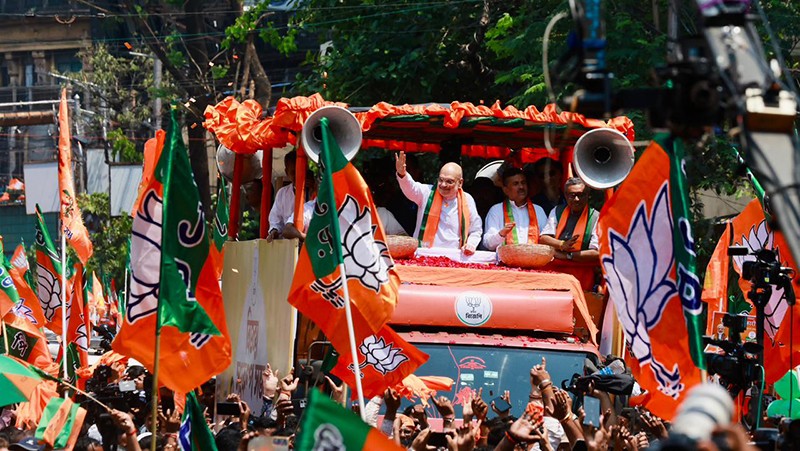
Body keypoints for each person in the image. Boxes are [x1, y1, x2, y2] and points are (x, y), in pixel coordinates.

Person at [395, 151, 482, 255]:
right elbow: (410, 188)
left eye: (449, 181)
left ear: (460, 183)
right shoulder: (426, 192)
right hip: (424, 255)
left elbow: (476, 230)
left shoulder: (467, 200)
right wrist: (402, 174)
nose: (443, 185)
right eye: (441, 180)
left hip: (455, 257)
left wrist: (471, 244)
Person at [483, 167, 547, 251]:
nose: (521, 187)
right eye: (516, 184)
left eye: (523, 183)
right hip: (505, 262)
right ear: (506, 190)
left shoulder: (538, 210)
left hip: (533, 260)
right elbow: (488, 244)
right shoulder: (496, 211)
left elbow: (546, 238)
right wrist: (501, 234)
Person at [539, 177, 600, 263]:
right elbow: (543, 239)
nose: (576, 199)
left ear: (588, 195)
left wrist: (568, 256)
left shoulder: (596, 217)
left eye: (580, 195)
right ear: (566, 196)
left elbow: (596, 253)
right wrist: (562, 245)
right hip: (557, 268)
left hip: (582, 269)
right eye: (572, 195)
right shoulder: (557, 211)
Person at [267, 150, 299, 241]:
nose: (297, 175)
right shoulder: (282, 193)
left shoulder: (315, 189)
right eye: (293, 172)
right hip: (288, 245)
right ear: (287, 172)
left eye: (299, 170)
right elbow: (275, 219)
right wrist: (274, 230)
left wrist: (313, 189)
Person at [281, 170, 319, 242]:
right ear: (316, 186)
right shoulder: (308, 208)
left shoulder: (342, 207)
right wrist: (309, 239)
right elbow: (287, 230)